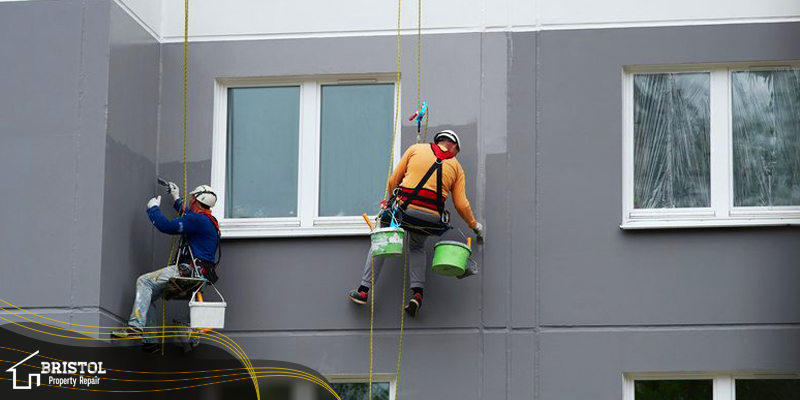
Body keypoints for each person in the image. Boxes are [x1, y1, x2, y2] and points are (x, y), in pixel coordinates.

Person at [348, 130, 484, 317]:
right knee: (417, 247)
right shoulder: (456, 166)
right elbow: (461, 204)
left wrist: (391, 203)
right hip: (431, 218)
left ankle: (363, 290)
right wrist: (474, 225)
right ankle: (417, 294)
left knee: (382, 242)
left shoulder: (416, 149)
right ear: (454, 146)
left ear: (438, 140)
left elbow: (394, 180)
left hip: (405, 211)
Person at [112, 183, 220, 350]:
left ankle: (135, 327)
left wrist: (153, 209)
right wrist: (176, 198)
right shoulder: (208, 221)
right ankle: (151, 343)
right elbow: (188, 216)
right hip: (200, 273)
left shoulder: (197, 220)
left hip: (188, 270)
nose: (190, 199)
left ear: (196, 200)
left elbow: (167, 226)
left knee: (144, 282)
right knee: (149, 297)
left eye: (192, 197)